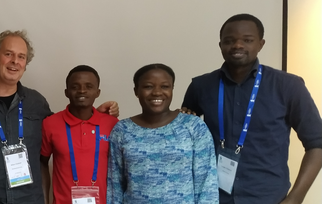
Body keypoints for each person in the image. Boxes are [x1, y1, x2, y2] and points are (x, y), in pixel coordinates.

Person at [0, 30, 119, 203]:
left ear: (25, 64)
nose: (15, 62)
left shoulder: (37, 102)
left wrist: (93, 114)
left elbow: (65, 126)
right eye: (8, 54)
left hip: (29, 199)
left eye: (21, 57)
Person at [181, 13, 322, 204]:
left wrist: (295, 198)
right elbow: (183, 138)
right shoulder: (201, 86)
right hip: (212, 198)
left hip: (268, 198)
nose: (237, 45)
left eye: (247, 40)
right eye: (229, 40)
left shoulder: (288, 86)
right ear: (220, 45)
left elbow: (317, 143)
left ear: (260, 44)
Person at [108, 63, 218, 203]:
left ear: (172, 89)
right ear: (136, 91)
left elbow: (207, 184)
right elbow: (114, 186)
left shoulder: (193, 126)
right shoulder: (122, 130)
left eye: (165, 86)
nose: (157, 92)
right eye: (148, 86)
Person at [40, 65, 119, 204]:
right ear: (66, 92)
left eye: (89, 86)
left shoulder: (112, 124)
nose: (82, 91)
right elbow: (41, 163)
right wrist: (45, 200)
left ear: (97, 92)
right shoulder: (50, 124)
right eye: (75, 86)